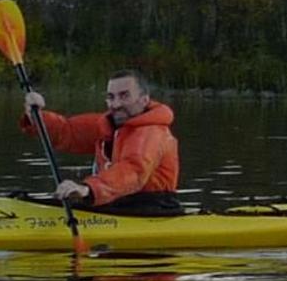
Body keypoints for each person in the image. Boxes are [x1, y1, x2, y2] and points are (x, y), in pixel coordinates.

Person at [20, 69, 181, 215]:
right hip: (116, 203)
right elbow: (66, 131)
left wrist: (88, 189)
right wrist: (36, 116)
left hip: (153, 208)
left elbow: (133, 170)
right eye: (111, 97)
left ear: (144, 100)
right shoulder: (107, 125)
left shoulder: (152, 132)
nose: (116, 104)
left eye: (124, 96)